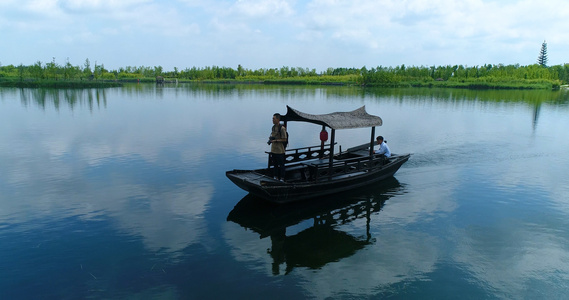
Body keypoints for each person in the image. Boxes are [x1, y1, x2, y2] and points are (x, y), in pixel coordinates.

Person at [269, 113, 287, 181]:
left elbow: (284, 139)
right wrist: (271, 139)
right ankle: (275, 177)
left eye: (274, 118)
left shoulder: (282, 128)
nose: (272, 120)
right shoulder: (273, 127)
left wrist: (276, 140)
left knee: (281, 165)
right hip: (273, 150)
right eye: (272, 118)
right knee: (275, 165)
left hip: (280, 150)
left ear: (278, 119)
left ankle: (282, 178)